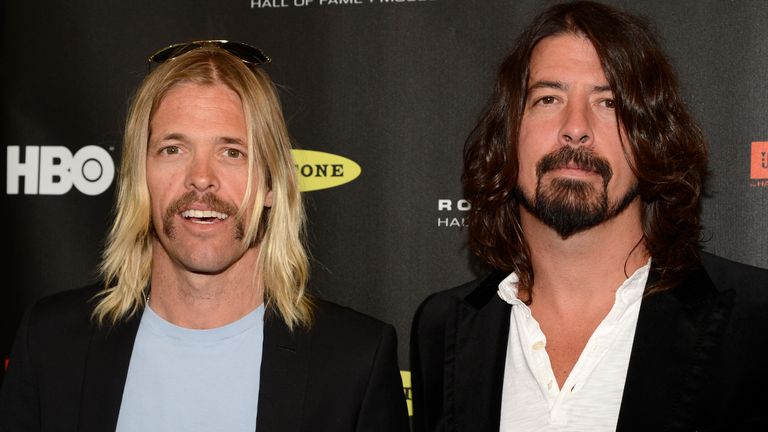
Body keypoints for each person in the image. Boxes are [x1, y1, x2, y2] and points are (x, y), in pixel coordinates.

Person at [0, 40, 409, 431]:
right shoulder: (52, 343)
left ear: (271, 184)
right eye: (173, 149)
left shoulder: (354, 364)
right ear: (139, 176)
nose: (201, 178)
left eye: (232, 152)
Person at [410, 2, 768, 431]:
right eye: (548, 98)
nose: (575, 126)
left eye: (608, 102)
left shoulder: (755, 322)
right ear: (508, 136)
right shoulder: (443, 326)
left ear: (650, 140)